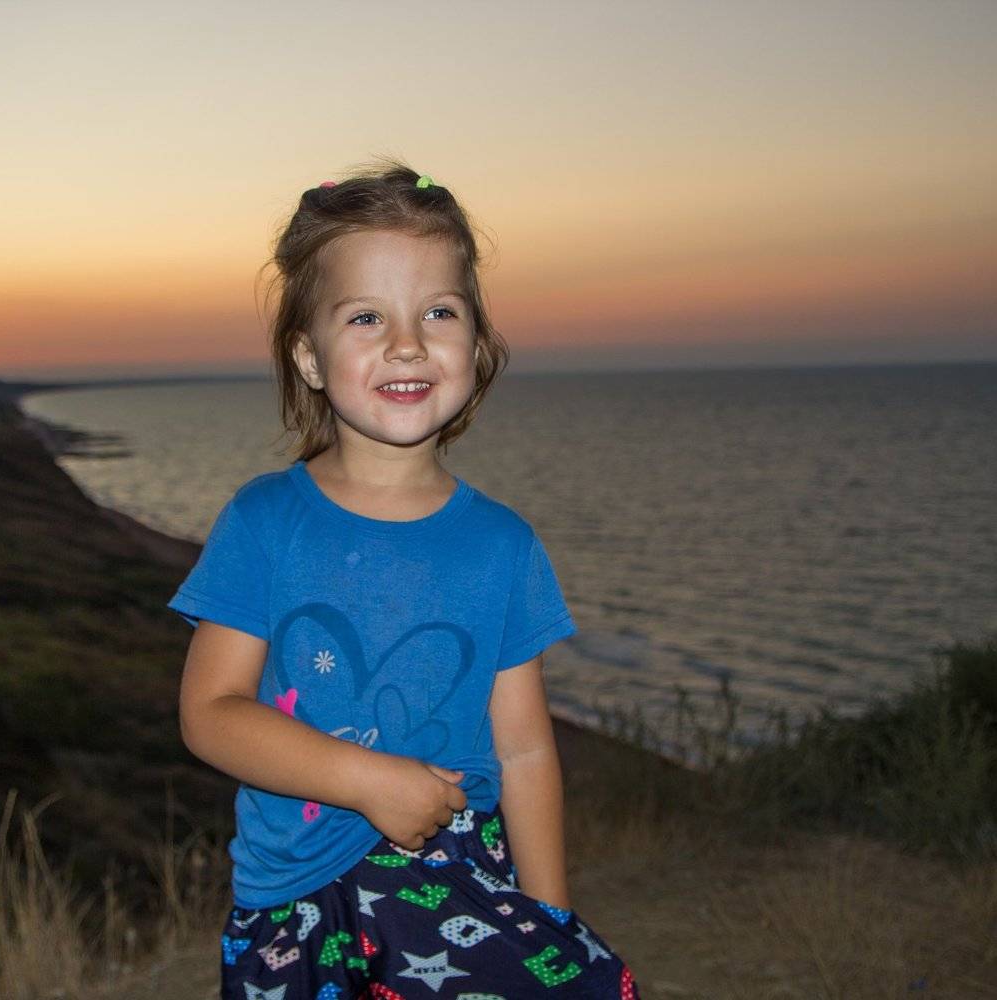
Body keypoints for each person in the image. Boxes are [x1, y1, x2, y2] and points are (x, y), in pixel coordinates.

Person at [169, 157, 642, 999]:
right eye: (365, 317)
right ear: (309, 357)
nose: (407, 343)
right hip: (296, 899)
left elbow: (525, 747)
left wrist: (550, 920)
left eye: (438, 311)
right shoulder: (266, 520)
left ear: (478, 346)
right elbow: (211, 714)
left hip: (456, 872)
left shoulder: (502, 545)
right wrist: (366, 780)